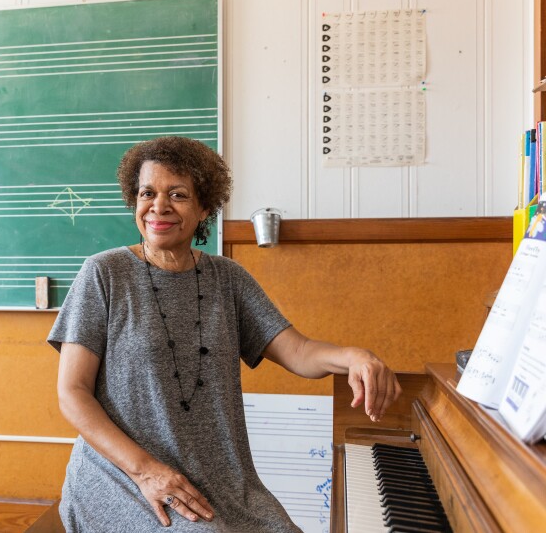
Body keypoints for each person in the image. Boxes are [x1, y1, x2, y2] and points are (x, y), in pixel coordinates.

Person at [47, 136, 402, 532]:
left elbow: (299, 351)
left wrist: (354, 356)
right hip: (123, 476)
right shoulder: (103, 273)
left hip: (222, 482)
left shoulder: (228, 279)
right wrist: (146, 471)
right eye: (147, 192)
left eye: (177, 194)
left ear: (204, 208)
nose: (159, 206)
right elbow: (72, 393)